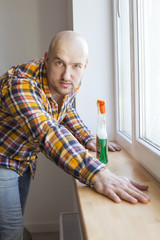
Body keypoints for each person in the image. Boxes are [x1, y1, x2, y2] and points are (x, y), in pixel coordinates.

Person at [0, 31, 150, 240]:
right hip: (2, 157)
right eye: (59, 63)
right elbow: (47, 131)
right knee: (10, 229)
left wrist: (86, 137)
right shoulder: (19, 84)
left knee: (14, 222)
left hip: (24, 158)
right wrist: (98, 173)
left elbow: (66, 110)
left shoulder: (69, 81)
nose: (66, 75)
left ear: (84, 66)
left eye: (75, 66)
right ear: (46, 58)